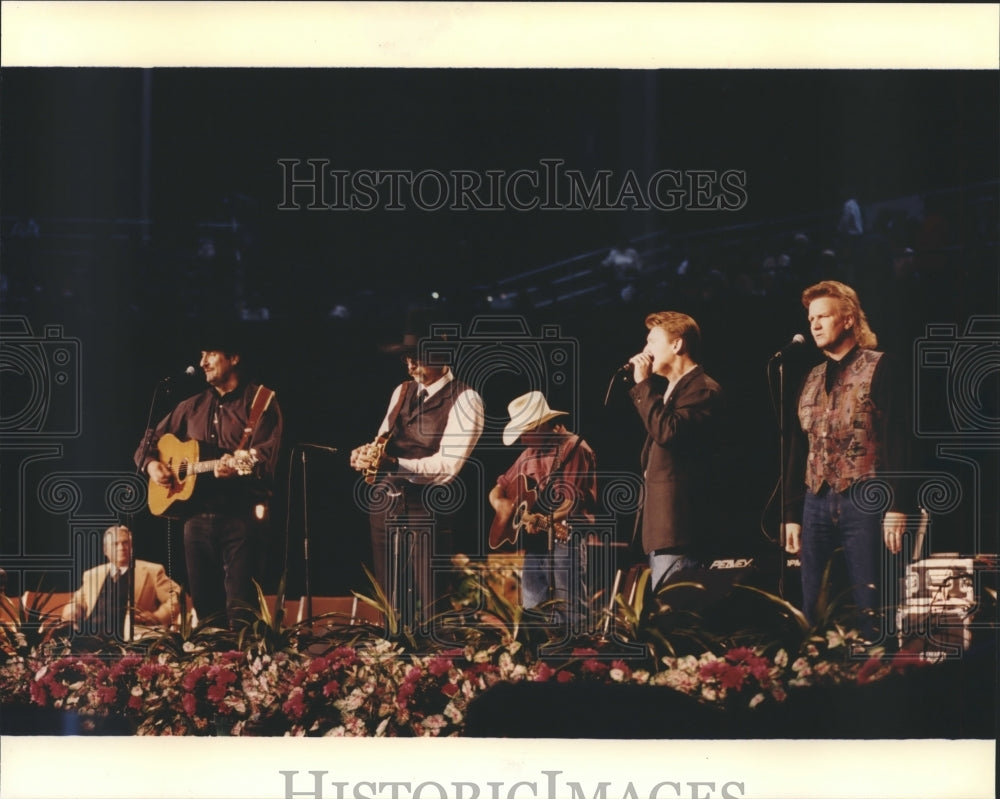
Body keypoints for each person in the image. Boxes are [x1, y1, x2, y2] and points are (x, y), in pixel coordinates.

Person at [783, 280, 908, 640]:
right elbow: (798, 445)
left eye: (823, 316)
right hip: (815, 498)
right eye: (811, 319)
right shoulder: (811, 376)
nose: (815, 325)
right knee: (812, 605)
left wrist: (897, 504)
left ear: (849, 320)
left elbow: (898, 437)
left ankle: (879, 678)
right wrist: (792, 514)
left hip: (866, 495)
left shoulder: (881, 366)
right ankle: (815, 678)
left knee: (870, 599)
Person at [135, 330, 283, 629]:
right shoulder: (190, 406)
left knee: (241, 607)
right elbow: (146, 445)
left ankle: (246, 669)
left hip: (242, 516)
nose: (202, 362)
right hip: (196, 518)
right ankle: (212, 672)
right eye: (201, 355)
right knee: (205, 609)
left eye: (211, 354)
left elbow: (264, 460)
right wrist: (152, 466)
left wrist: (242, 466)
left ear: (234, 358)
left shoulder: (261, 402)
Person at [350, 328, 484, 627]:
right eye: (406, 359)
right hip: (386, 503)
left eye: (417, 358)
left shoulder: (466, 399)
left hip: (427, 508)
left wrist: (394, 464)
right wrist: (365, 455)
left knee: (431, 599)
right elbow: (382, 440)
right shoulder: (402, 391)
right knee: (390, 598)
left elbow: (447, 466)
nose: (410, 366)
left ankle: (434, 667)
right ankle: (393, 661)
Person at [626, 311, 724, 592]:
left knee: (677, 617)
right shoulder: (671, 392)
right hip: (662, 527)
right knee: (665, 617)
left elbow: (669, 432)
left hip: (680, 526)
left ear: (677, 345)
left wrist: (643, 384)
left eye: (652, 342)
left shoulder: (703, 390)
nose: (645, 351)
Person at [489, 391, 597, 632]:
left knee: (569, 607)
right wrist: (500, 504)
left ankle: (577, 658)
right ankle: (536, 661)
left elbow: (571, 502)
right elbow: (498, 488)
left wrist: (543, 519)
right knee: (532, 605)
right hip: (537, 537)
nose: (522, 439)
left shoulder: (573, 447)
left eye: (526, 432)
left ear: (543, 425)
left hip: (567, 535)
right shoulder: (529, 453)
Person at [61, 525, 180, 637]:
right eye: (115, 544)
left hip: (131, 638)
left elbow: (177, 596)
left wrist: (157, 617)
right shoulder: (93, 574)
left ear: (132, 547)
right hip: (91, 637)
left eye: (125, 543)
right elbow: (77, 601)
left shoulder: (152, 571)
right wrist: (73, 609)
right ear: (105, 550)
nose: (121, 548)